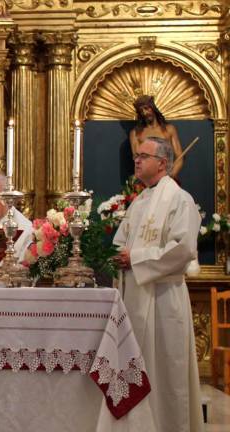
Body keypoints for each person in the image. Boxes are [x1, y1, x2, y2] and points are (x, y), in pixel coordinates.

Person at [113, 136, 203, 431]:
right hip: (135, 297)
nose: (136, 160)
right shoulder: (140, 201)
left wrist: (135, 258)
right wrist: (116, 256)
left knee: (166, 375)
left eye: (143, 156)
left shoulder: (179, 199)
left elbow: (183, 249)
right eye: (136, 155)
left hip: (164, 299)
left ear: (162, 163)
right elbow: (120, 242)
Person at [129, 95, 184, 177]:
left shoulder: (169, 129)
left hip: (168, 177)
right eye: (141, 111)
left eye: (146, 108)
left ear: (153, 108)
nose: (144, 113)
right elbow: (137, 160)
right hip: (148, 179)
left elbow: (180, 157)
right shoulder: (135, 134)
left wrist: (171, 175)